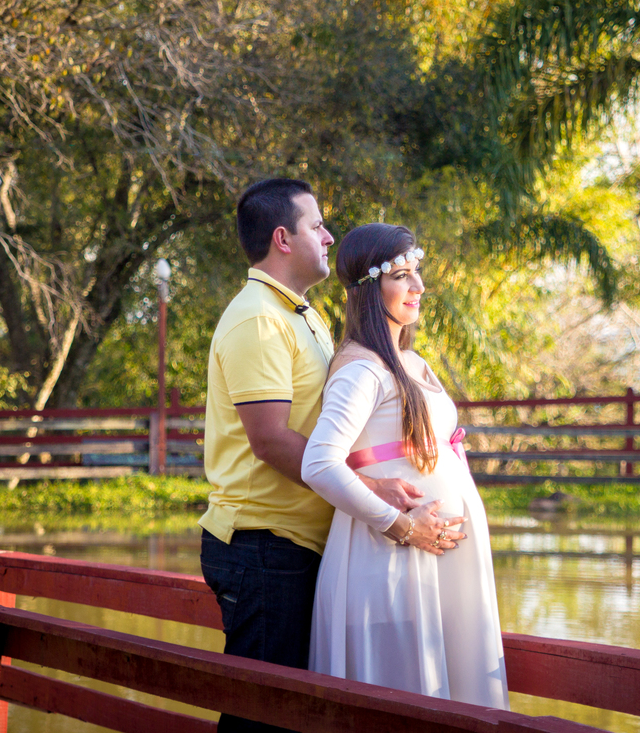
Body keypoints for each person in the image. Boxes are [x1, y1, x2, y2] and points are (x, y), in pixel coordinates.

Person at [200, 180, 429, 732]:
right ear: (283, 238)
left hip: (295, 545)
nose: (328, 235)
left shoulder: (301, 314)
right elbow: (272, 439)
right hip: (264, 545)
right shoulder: (259, 317)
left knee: (290, 714)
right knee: (263, 717)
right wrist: (371, 492)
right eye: (316, 225)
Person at [301, 223, 510, 710]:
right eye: (400, 275)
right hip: (391, 563)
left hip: (440, 564)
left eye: (416, 272)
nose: (417, 287)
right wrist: (400, 526)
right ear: (370, 289)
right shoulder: (361, 368)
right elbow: (319, 463)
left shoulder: (412, 361)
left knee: (454, 696)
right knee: (404, 701)